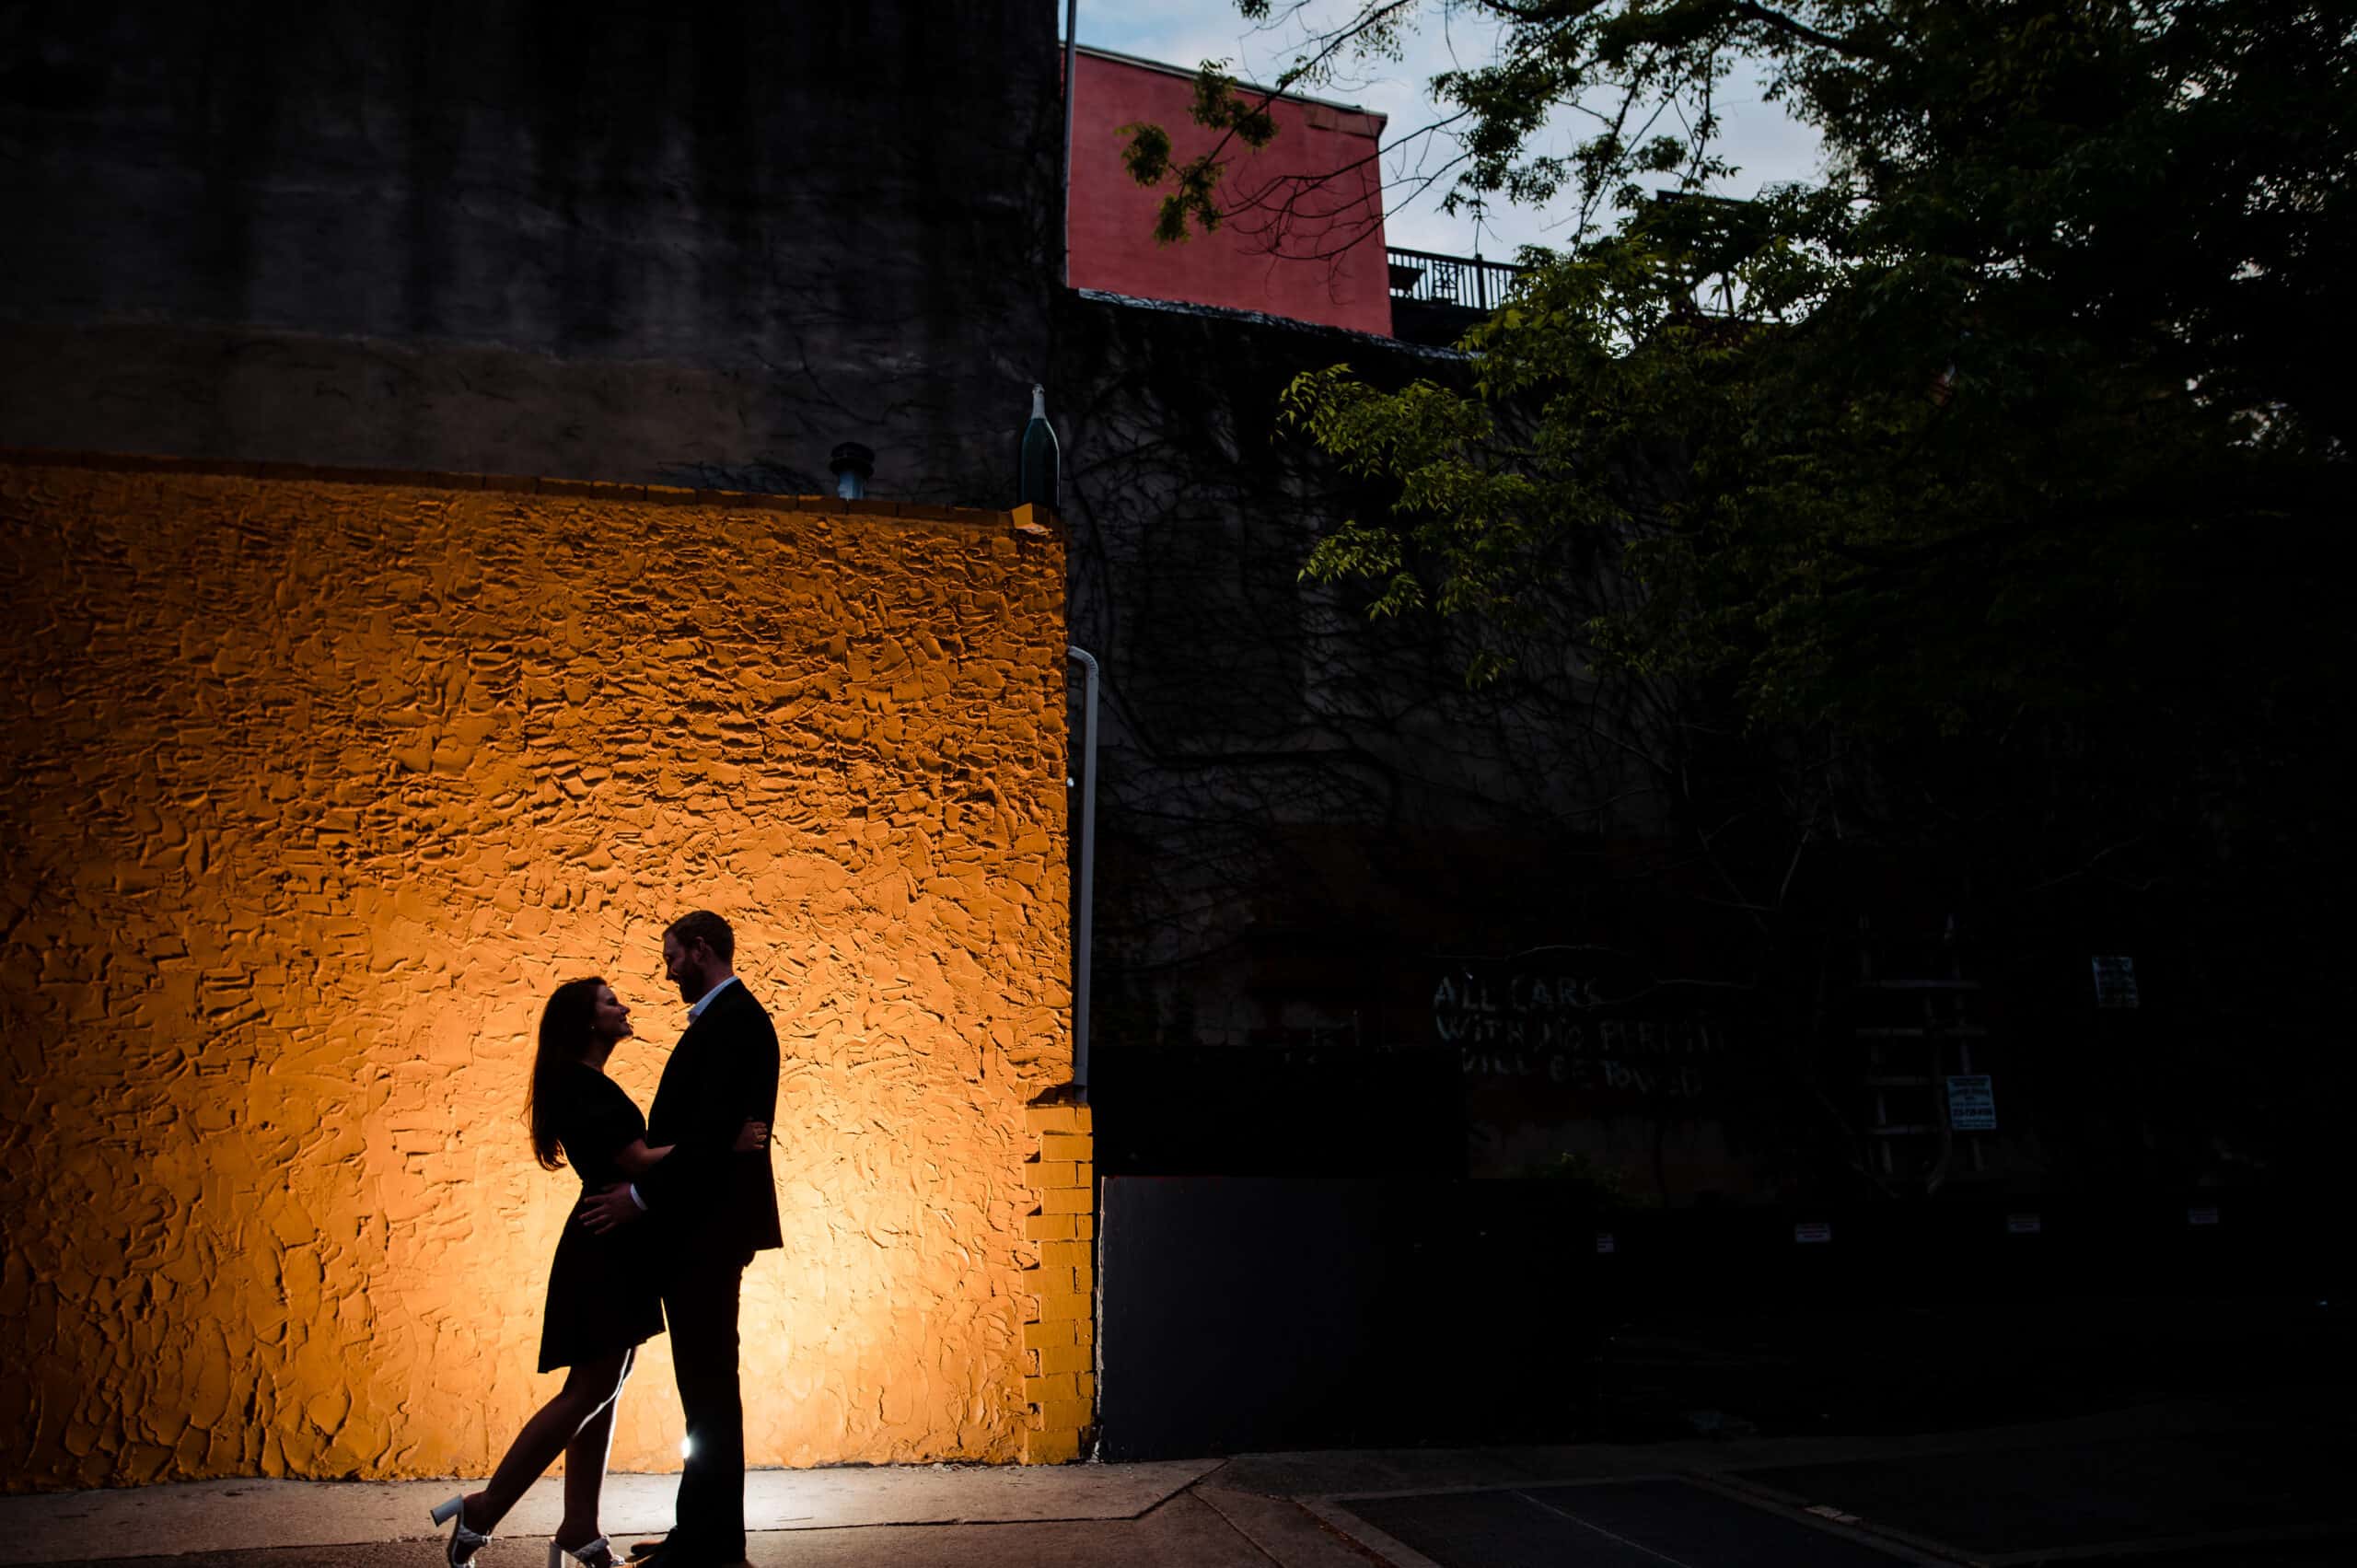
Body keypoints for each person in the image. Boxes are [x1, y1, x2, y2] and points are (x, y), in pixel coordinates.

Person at [430, 978, 766, 1568]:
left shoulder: (584, 1081)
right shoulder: (578, 1084)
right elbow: (636, 1160)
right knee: (587, 1389)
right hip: (603, 1248)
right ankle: (482, 1510)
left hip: (617, 1246)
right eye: (611, 1002)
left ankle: (580, 1524)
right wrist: (723, 1143)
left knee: (600, 1391)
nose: (625, 1006)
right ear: (586, 1021)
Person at [577, 911, 782, 1568]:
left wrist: (638, 1197)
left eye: (671, 955)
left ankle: (711, 1545)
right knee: (706, 1386)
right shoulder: (728, 1021)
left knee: (710, 1386)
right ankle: (702, 1533)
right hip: (705, 1230)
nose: (665, 969)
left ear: (701, 948)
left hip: (707, 1232)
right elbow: (716, 1136)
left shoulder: (734, 1023)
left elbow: (711, 1139)